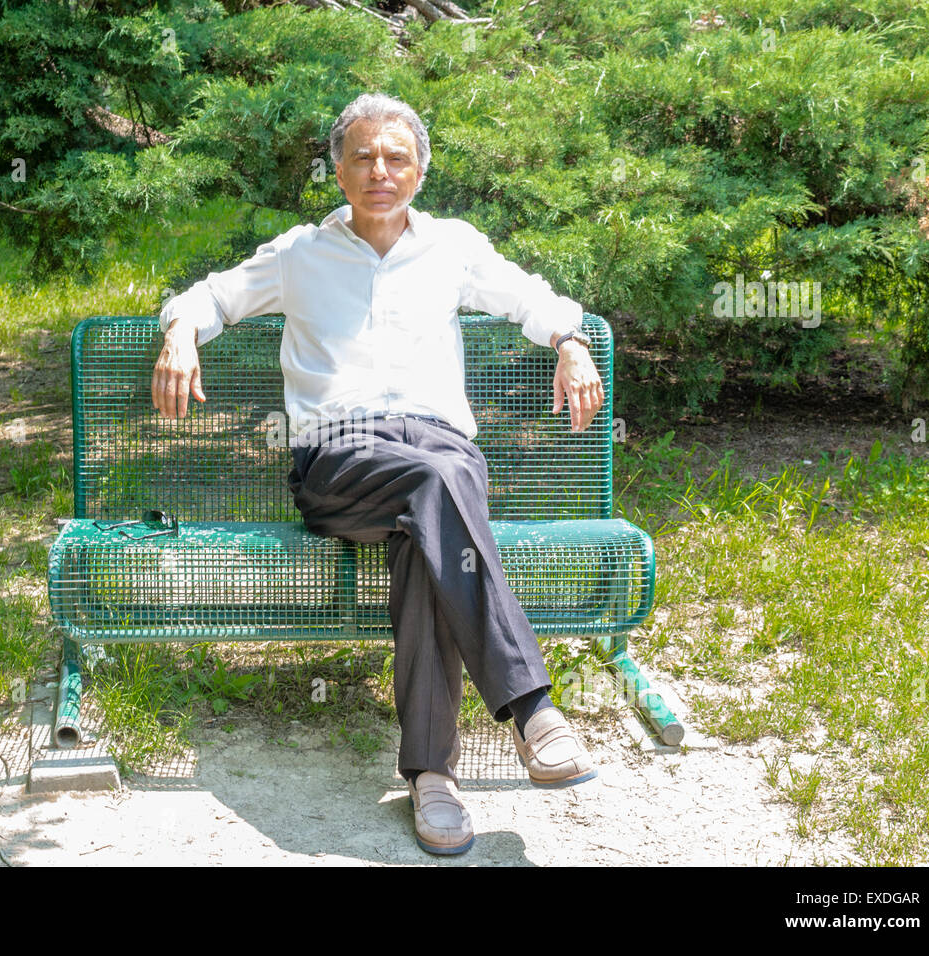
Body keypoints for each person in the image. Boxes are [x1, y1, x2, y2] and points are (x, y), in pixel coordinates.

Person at [152, 92, 605, 856]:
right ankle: (530, 705)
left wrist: (570, 340)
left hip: (438, 455)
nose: (379, 171)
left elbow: (531, 297)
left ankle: (432, 778)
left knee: (429, 538)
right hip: (341, 460)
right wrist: (181, 336)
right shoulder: (300, 255)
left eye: (396, 156)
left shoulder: (453, 247)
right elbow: (209, 297)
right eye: (362, 156)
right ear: (337, 170)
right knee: (434, 490)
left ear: (420, 170)